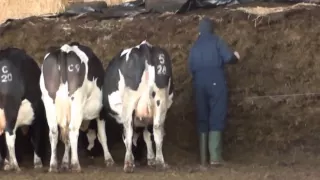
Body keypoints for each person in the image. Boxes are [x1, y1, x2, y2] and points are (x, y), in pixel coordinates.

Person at [188, 17, 240, 168]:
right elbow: (228, 58)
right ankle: (215, 157)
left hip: (198, 83)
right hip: (216, 81)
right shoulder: (217, 41)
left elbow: (190, 67)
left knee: (202, 117)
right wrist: (236, 57)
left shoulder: (195, 46)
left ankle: (203, 158)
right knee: (217, 114)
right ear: (212, 28)